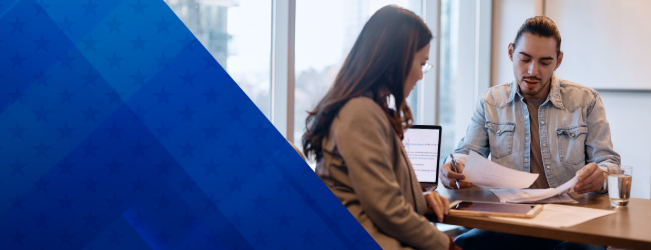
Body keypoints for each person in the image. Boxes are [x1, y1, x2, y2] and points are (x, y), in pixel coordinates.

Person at [440, 16, 620, 250]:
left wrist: (603, 175)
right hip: (512, 221)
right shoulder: (490, 102)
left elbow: (610, 163)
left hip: (572, 223)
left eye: (545, 62)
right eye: (525, 59)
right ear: (511, 52)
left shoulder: (586, 101)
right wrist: (453, 167)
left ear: (559, 60)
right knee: (464, 245)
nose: (532, 70)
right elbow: (465, 154)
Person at [303, 5, 461, 250]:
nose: (421, 75)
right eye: (421, 64)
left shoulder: (365, 109)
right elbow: (388, 209)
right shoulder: (361, 113)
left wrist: (421, 199)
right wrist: (446, 246)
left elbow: (377, 193)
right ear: (396, 62)